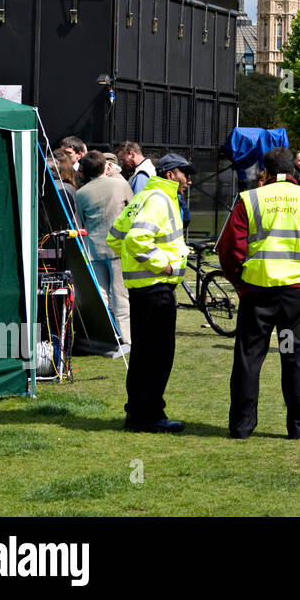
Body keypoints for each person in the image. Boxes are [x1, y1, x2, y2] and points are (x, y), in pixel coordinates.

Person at [217, 146, 300, 439]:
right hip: (297, 296)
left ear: (266, 171)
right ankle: (299, 427)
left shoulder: (251, 199)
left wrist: (240, 282)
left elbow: (229, 250)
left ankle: (242, 426)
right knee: (294, 356)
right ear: (295, 170)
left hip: (258, 294)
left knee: (250, 357)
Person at [107, 153, 193, 433]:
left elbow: (115, 237)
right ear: (170, 174)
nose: (188, 180)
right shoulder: (159, 199)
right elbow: (135, 240)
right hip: (156, 290)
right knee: (157, 356)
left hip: (143, 290)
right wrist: (163, 267)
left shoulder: (145, 196)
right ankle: (148, 415)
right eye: (184, 173)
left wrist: (136, 266)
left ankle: (139, 413)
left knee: (144, 355)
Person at [76, 151, 133, 346]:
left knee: (101, 295)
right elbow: (133, 210)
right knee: (120, 294)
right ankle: (126, 337)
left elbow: (80, 223)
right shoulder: (121, 184)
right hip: (118, 247)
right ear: (105, 166)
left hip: (93, 248)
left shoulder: (81, 193)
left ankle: (106, 335)